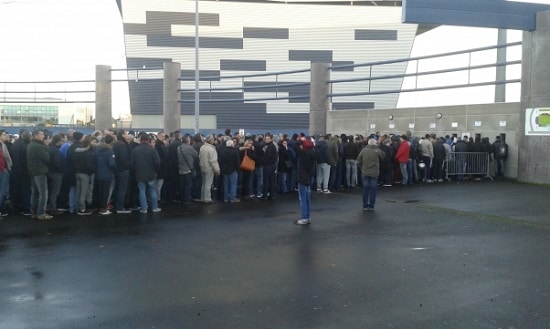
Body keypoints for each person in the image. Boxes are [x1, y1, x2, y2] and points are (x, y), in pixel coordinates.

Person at [131, 134, 161, 213]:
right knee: (152, 190)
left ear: (140, 140)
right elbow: (158, 162)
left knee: (142, 191)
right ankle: (154, 207)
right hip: (151, 173)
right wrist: (155, 171)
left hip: (139, 174)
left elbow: (132, 163)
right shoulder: (152, 150)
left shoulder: (135, 150)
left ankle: (144, 209)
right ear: (148, 140)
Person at [27, 130, 52, 220]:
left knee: (35, 193)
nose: (43, 136)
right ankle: (41, 213)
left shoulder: (31, 145)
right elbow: (47, 158)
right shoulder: (39, 146)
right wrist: (46, 147)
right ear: (36, 135)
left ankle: (33, 212)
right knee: (43, 193)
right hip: (40, 171)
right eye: (41, 134)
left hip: (33, 171)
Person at [357, 137, 386, 211]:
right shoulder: (377, 150)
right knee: (373, 189)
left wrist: (362, 168)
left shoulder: (364, 150)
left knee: (365, 189)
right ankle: (371, 206)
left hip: (365, 171)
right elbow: (383, 156)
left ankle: (365, 205)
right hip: (374, 172)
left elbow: (359, 161)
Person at [294, 137, 315, 225]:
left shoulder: (304, 154)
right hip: (308, 177)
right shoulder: (313, 153)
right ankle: (307, 216)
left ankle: (304, 217)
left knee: (302, 198)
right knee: (307, 198)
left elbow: (295, 146)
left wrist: (300, 140)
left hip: (302, 178)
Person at [95, 134, 117, 215]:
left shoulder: (97, 150)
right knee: (106, 192)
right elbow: (112, 164)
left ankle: (99, 207)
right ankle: (103, 208)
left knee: (100, 191)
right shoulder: (110, 151)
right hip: (107, 173)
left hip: (99, 173)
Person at [177, 134, 198, 205]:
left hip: (181, 170)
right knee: (188, 185)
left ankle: (182, 199)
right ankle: (186, 200)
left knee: (182, 185)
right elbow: (196, 155)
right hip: (188, 170)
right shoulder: (190, 148)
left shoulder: (178, 148)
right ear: (187, 140)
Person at [199, 134, 220, 204]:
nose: (214, 140)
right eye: (213, 139)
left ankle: (202, 197)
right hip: (209, 168)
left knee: (203, 183)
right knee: (208, 184)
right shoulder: (212, 149)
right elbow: (213, 161)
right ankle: (207, 198)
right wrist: (217, 170)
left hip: (202, 167)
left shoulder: (202, 147)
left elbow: (199, 157)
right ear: (210, 140)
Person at [46, 133, 64, 215]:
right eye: (62, 141)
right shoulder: (56, 151)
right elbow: (58, 164)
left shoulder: (48, 148)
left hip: (48, 172)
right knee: (55, 192)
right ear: (59, 142)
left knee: (49, 191)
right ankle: (53, 209)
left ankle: (48, 206)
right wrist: (61, 171)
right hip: (56, 173)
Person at [0, 130, 13, 217]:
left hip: (4, 169)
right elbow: (2, 158)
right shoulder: (1, 145)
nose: (6, 136)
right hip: (2, 170)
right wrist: (3, 169)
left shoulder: (3, 145)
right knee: (2, 191)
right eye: (4, 134)